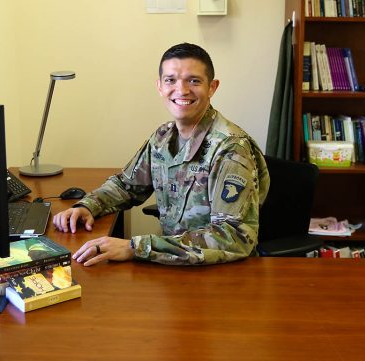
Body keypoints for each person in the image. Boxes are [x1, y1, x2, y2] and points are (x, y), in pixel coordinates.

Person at [53, 42, 270, 266]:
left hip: (220, 274)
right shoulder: (163, 137)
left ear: (212, 87)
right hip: (174, 268)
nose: (182, 90)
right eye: (171, 80)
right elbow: (126, 185)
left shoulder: (230, 148)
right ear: (160, 87)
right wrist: (87, 205)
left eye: (194, 81)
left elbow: (233, 238)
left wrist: (136, 247)